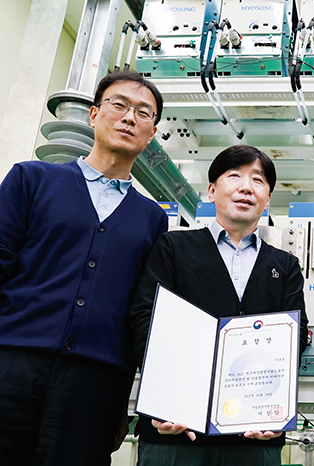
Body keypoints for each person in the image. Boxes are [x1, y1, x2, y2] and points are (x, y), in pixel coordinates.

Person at [0, 71, 168, 465]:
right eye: (119, 105)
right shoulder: (32, 179)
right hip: (13, 363)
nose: (129, 117)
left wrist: (123, 396)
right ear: (93, 114)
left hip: (95, 383)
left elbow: (141, 310)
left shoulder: (152, 218)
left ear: (152, 133)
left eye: (143, 113)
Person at [130, 145, 308, 466]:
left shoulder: (285, 265)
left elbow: (295, 337)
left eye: (258, 180)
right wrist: (163, 397)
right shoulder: (173, 247)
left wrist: (274, 410)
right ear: (212, 191)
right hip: (176, 429)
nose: (246, 187)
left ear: (267, 199)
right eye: (234, 176)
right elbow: (146, 319)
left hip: (254, 434)